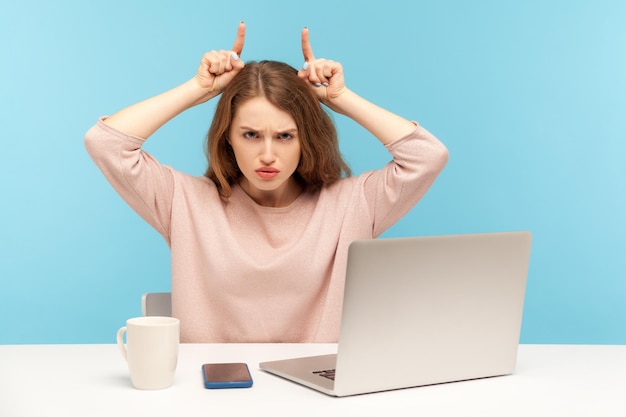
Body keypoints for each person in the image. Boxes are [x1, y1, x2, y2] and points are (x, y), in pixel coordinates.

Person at [84, 23, 449, 343]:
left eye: (286, 136)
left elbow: (428, 156)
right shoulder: (185, 201)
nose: (268, 155)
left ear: (306, 137)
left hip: (317, 395)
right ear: (228, 136)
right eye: (251, 135)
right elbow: (106, 143)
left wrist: (340, 98)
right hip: (213, 392)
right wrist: (198, 89)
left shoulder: (352, 204)